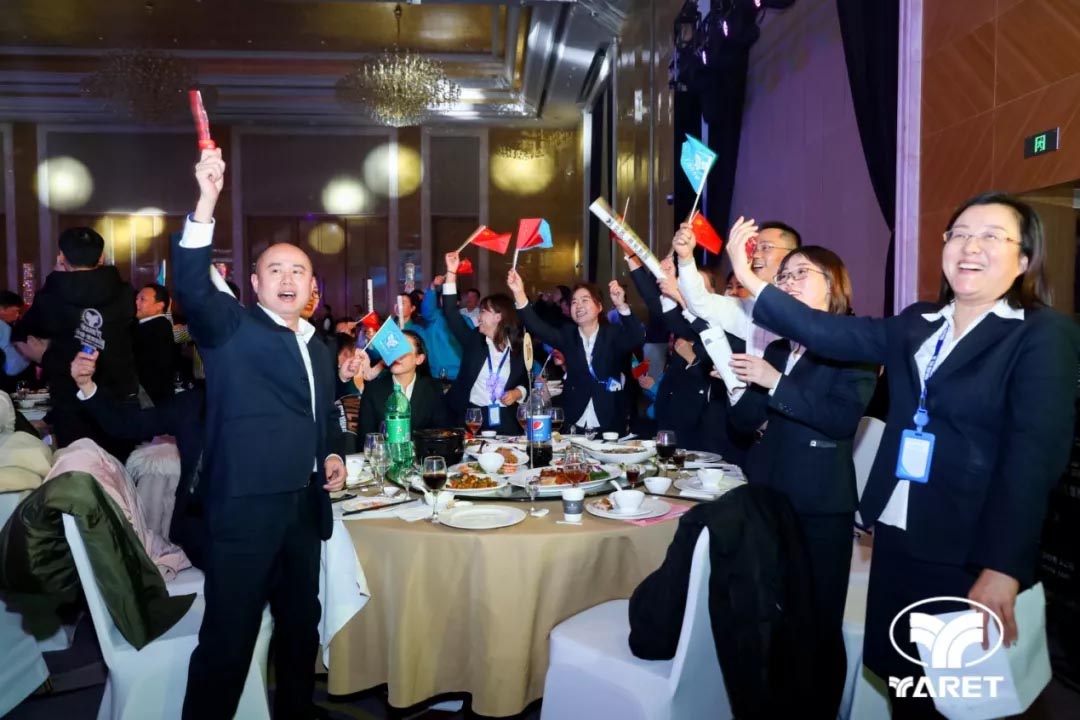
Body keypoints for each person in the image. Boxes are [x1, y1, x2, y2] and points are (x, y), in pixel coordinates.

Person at [720, 192, 1080, 717]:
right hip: (898, 535)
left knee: (964, 698)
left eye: (990, 236)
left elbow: (1034, 456)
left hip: (968, 546)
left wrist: (1003, 566)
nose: (969, 247)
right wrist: (752, 282)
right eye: (959, 234)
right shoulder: (918, 322)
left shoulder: (1042, 333)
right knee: (907, 685)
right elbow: (825, 330)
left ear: (1024, 259)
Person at [176, 148, 346, 720]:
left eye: (299, 270)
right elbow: (193, 286)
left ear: (313, 285)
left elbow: (322, 417)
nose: (288, 278)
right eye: (275, 269)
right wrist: (206, 202)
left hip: (304, 509)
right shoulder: (232, 329)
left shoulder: (319, 348)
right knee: (229, 639)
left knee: (301, 628)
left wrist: (332, 455)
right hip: (245, 512)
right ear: (253, 283)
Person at [720, 246, 876, 718]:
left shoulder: (853, 343)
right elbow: (745, 423)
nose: (786, 282)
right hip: (767, 498)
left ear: (834, 285)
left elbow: (840, 420)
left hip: (818, 505)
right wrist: (740, 386)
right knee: (769, 617)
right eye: (782, 275)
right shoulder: (777, 347)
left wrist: (776, 383)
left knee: (816, 626)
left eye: (799, 273)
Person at [71, 348, 209, 567]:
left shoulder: (266, 407)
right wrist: (86, 385)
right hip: (202, 533)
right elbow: (123, 424)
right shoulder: (193, 405)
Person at [15, 226, 138, 455]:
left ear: (61, 257)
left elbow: (23, 338)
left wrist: (47, 357)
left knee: (77, 468)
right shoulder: (125, 293)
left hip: (70, 401)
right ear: (101, 257)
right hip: (119, 399)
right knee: (119, 471)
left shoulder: (51, 297)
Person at [672, 221, 801, 401]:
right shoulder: (750, 307)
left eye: (766, 248)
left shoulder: (804, 306)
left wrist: (743, 272)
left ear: (792, 256)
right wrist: (685, 258)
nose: (756, 255)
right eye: (754, 248)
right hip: (752, 409)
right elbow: (699, 302)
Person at [508, 270, 645, 435]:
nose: (578, 305)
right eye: (574, 302)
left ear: (599, 307)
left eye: (585, 300)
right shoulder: (568, 335)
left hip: (609, 418)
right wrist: (519, 293)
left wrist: (621, 305)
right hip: (574, 417)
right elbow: (537, 326)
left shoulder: (612, 334)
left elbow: (637, 336)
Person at [442, 252, 529, 435]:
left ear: (498, 317)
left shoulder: (519, 347)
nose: (479, 316)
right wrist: (451, 272)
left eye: (483, 311)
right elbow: (450, 313)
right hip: (472, 417)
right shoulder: (474, 341)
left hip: (506, 419)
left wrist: (517, 393)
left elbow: (526, 381)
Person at [358, 330, 451, 437]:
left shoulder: (433, 389)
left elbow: (441, 434)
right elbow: (365, 438)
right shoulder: (373, 390)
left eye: (403, 350)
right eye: (394, 349)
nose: (397, 356)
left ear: (419, 359)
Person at [133, 283, 177, 405]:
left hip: (149, 399)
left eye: (142, 299)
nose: (136, 302)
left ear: (159, 306)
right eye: (136, 298)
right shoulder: (144, 326)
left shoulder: (157, 328)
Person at [0, 290, 32, 393]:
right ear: (2, 309)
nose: (17, 315)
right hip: (9, 379)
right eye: (15, 311)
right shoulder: (3, 326)